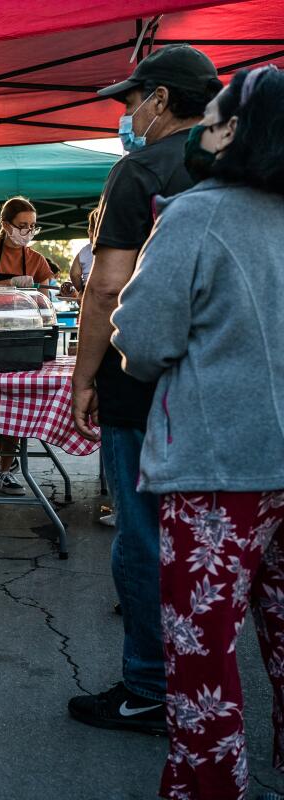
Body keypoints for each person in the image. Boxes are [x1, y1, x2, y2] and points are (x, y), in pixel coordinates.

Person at [111, 65, 284, 800]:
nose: (201, 129)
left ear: (235, 131)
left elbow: (144, 341)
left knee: (202, 659)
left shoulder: (195, 213)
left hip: (220, 470)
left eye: (211, 117)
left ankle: (212, 791)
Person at [69, 43, 222, 734]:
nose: (126, 114)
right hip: (226, 383)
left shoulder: (140, 170)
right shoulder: (244, 166)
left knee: (141, 534)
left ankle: (148, 687)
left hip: (142, 383)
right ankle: (205, 683)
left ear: (160, 101)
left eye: (132, 101)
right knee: (216, 542)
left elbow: (105, 289)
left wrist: (83, 377)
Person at [0, 197, 55, 494]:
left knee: (15, 401)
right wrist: (9, 284)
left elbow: (46, 305)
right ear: (5, 225)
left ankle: (6, 464)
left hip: (21, 339)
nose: (28, 231)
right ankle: (9, 460)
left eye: (32, 226)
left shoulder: (38, 260)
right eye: (22, 226)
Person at [68, 208, 101, 294]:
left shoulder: (85, 250)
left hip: (89, 292)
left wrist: (82, 291)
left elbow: (74, 274)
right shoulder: (119, 249)